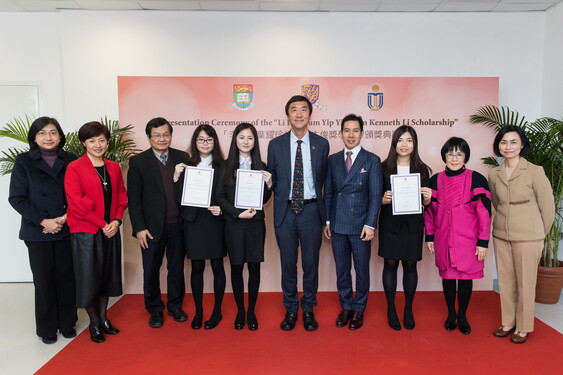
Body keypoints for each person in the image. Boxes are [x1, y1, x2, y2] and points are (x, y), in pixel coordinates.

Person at [8, 117, 77, 344]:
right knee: (44, 280)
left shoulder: (71, 160)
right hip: (37, 232)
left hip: (66, 227)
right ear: (34, 137)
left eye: (53, 132)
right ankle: (47, 328)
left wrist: (65, 218)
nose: (48, 138)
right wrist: (44, 221)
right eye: (42, 133)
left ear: (60, 136)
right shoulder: (24, 161)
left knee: (66, 278)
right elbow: (17, 198)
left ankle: (67, 323)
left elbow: (79, 193)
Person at [267, 95, 329, 331]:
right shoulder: (276, 145)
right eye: (294, 110)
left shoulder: (322, 144)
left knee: (311, 263)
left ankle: (309, 308)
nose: (299, 114)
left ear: (310, 115)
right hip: (285, 211)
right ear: (288, 115)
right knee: (287, 263)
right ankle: (291, 308)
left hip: (312, 210)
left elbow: (324, 181)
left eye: (304, 109)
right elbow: (272, 180)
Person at [488, 126, 555, 344]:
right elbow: (496, 203)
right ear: (498, 146)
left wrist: (539, 233)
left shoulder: (535, 171)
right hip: (501, 233)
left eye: (513, 142)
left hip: (529, 235)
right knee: (506, 282)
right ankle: (508, 322)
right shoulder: (494, 173)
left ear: (522, 144)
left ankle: (524, 326)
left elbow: (547, 207)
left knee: (526, 282)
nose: (508, 146)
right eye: (503, 142)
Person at [65, 121, 127, 343]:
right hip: (87, 232)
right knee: (90, 278)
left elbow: (121, 195)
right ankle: (94, 323)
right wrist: (103, 224)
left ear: (107, 141)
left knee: (107, 277)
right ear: (84, 143)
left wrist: (117, 221)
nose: (98, 144)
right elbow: (77, 203)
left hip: (111, 229)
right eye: (92, 140)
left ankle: (104, 318)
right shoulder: (75, 167)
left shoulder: (113, 166)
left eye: (102, 140)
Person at [424, 137, 491, 335]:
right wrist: (429, 237)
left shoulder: (477, 178)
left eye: (459, 154)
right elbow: (429, 212)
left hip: (468, 240)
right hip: (443, 237)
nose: (454, 158)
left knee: (464, 278)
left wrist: (483, 241)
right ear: (444, 156)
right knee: (447, 276)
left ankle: (462, 315)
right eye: (450, 154)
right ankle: (451, 314)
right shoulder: (435, 180)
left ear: (465, 157)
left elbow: (484, 213)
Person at [128, 117, 190, 328]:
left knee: (176, 268)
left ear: (171, 135)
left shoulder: (183, 157)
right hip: (151, 228)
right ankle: (155, 309)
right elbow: (133, 200)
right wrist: (139, 228)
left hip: (178, 225)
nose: (162, 139)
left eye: (165, 134)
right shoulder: (138, 162)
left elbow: (190, 191)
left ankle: (175, 306)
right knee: (151, 269)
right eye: (157, 135)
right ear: (149, 137)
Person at [323, 114, 382, 330]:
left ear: (362, 133)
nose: (350, 134)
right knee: (342, 269)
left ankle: (359, 309)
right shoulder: (333, 159)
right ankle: (346, 306)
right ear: (340, 133)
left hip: (360, 226)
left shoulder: (372, 160)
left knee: (362, 270)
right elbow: (328, 192)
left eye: (355, 130)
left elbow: (375, 195)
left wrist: (370, 224)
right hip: (338, 224)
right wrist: (328, 220)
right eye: (346, 130)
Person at [216, 123, 272, 331]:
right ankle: (240, 310)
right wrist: (236, 213)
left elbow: (264, 200)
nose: (246, 141)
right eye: (242, 137)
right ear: (235, 140)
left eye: (250, 138)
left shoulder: (262, 166)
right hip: (234, 224)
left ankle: (251, 311)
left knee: (254, 267)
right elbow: (219, 197)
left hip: (256, 225)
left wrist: (269, 186)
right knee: (237, 267)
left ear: (255, 141)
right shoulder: (225, 165)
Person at [378, 126, 432, 330]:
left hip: (413, 225)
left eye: (409, 140)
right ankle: (391, 309)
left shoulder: (422, 169)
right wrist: (382, 199)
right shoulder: (383, 167)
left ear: (415, 143)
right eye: (400, 140)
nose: (404, 144)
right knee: (390, 264)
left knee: (410, 265)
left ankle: (408, 308)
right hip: (390, 224)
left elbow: (426, 204)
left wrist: (427, 199)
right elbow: (374, 197)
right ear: (393, 143)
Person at [173, 124, 226, 330]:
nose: (205, 143)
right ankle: (199, 311)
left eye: (209, 140)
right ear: (195, 142)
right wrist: (176, 177)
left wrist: (221, 209)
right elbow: (178, 199)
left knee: (217, 266)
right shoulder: (186, 164)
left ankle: (217, 311)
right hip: (193, 222)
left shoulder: (224, 165)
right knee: (196, 267)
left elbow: (229, 195)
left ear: (214, 142)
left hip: (214, 221)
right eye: (201, 139)